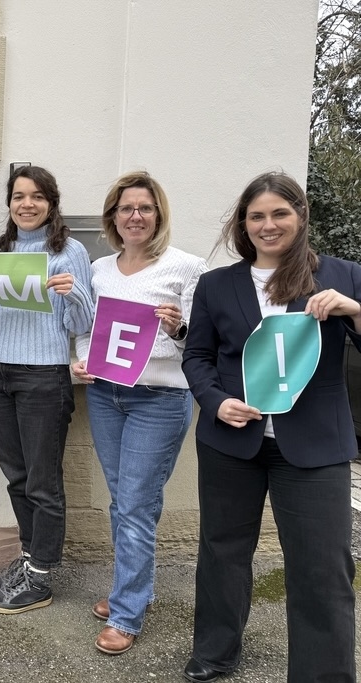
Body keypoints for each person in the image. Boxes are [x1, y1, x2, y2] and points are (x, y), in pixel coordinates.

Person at [181, 172, 360, 683]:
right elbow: (197, 354)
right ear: (243, 224)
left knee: (323, 566)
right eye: (256, 216)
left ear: (301, 217)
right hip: (231, 442)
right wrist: (216, 402)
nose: (268, 225)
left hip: (314, 446)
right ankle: (215, 652)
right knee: (223, 552)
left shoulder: (343, 275)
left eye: (280, 213)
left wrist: (353, 310)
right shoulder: (218, 284)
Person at [71, 171, 207, 655]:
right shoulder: (99, 268)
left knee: (132, 505)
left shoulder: (186, 268)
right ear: (113, 217)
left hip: (159, 400)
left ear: (158, 215)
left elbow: (199, 343)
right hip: (107, 395)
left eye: (144, 208)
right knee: (127, 501)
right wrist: (81, 358)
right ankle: (136, 588)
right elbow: (87, 327)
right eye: (126, 208)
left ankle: (127, 613)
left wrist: (177, 329)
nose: (135, 216)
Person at [0, 165, 93, 615]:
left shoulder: (69, 251)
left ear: (51, 203)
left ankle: (40, 574)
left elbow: (83, 323)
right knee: (17, 475)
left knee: (42, 481)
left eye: (37, 196)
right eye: (19, 196)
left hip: (45, 375)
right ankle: (28, 558)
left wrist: (74, 293)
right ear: (9, 203)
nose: (27, 204)